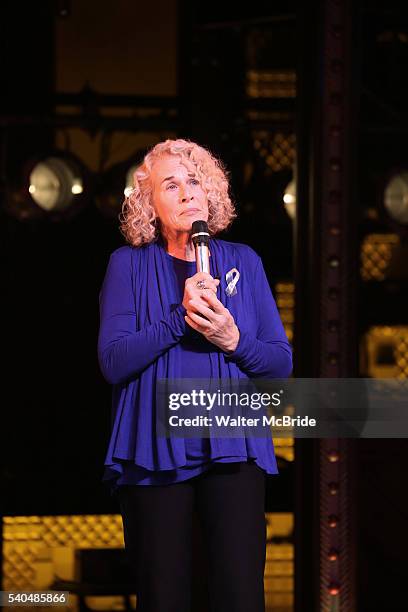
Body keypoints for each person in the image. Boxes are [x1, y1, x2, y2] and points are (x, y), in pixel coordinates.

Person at [97, 138, 293, 612]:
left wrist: (234, 339)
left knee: (241, 595)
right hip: (154, 448)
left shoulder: (245, 261)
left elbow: (280, 364)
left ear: (212, 194)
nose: (188, 192)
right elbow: (113, 361)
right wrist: (176, 317)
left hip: (234, 444)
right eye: (172, 184)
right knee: (164, 596)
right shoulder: (128, 264)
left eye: (195, 181)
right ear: (149, 203)